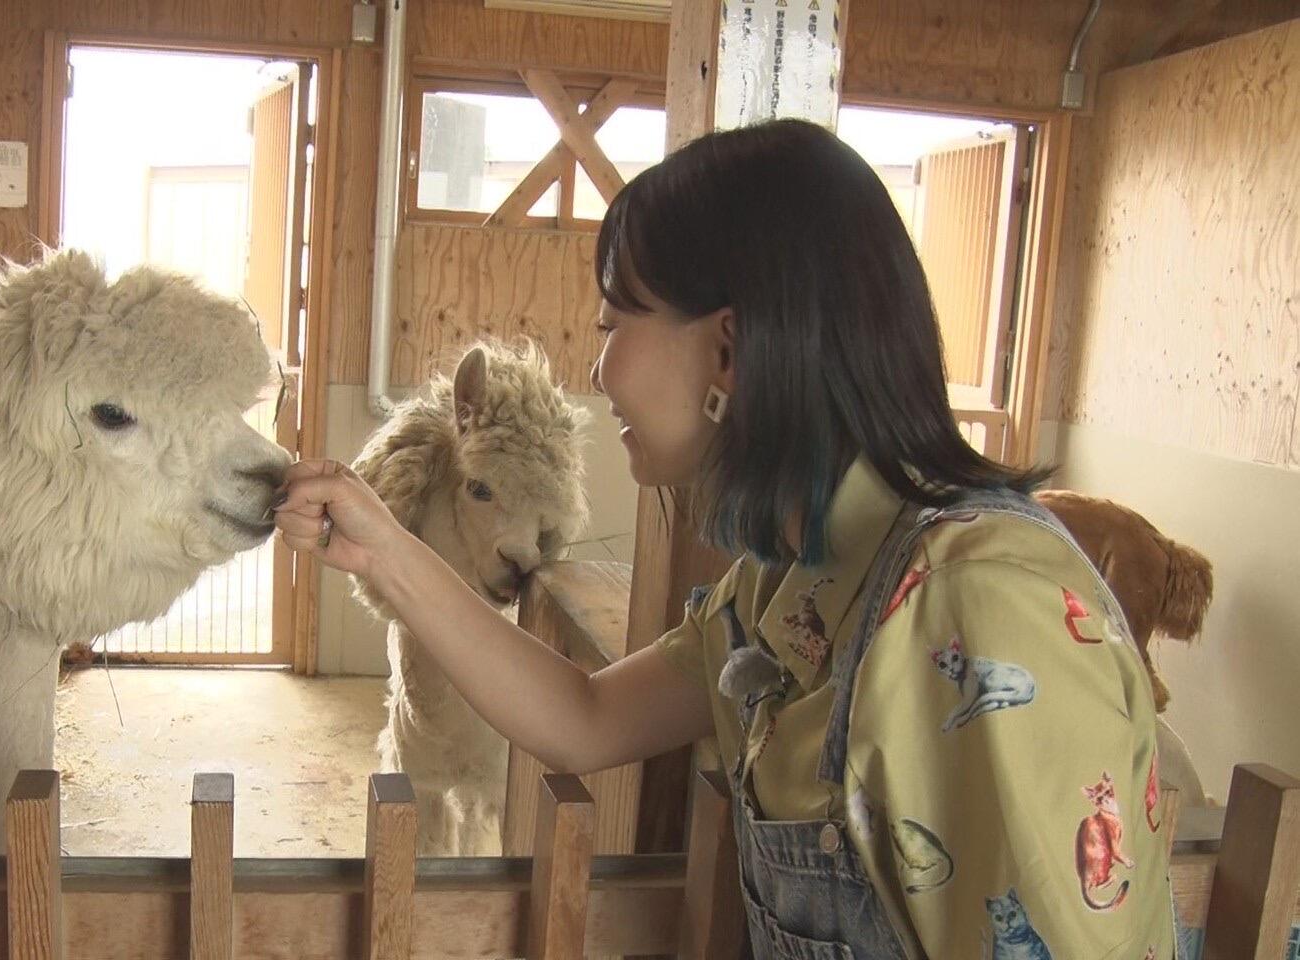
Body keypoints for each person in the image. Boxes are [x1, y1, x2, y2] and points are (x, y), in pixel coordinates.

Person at [274, 119, 1174, 958]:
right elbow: (584, 719)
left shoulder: (979, 600)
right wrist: (385, 547)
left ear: (729, 353)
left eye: (613, 324)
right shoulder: (784, 585)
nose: (599, 369)